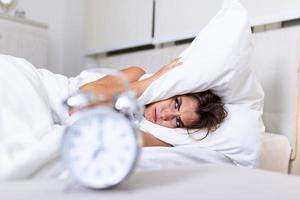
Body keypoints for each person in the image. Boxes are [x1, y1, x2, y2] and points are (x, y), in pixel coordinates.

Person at [79, 58, 228, 147]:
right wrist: (153, 80)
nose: (165, 115)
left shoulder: (162, 139)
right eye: (176, 103)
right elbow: (82, 98)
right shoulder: (136, 74)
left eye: (177, 122)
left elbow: (122, 137)